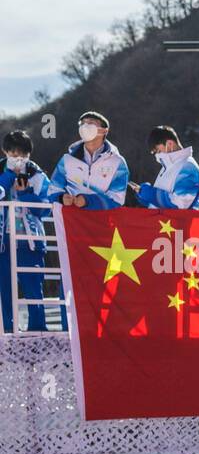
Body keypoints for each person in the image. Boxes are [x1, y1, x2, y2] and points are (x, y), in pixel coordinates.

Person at [0, 130, 55, 331]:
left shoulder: (37, 174)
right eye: (14, 154)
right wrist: (7, 177)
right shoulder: (0, 170)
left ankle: (38, 330)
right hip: (3, 242)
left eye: (23, 155)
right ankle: (7, 330)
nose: (19, 159)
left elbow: (46, 207)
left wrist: (26, 195)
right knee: (5, 289)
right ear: (5, 152)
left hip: (30, 241)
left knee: (33, 290)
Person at [46, 111, 128, 210]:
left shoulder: (117, 162)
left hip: (102, 221)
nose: (85, 126)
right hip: (72, 220)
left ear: (104, 131)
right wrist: (61, 198)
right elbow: (52, 190)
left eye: (91, 123)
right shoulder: (67, 160)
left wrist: (88, 201)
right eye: (82, 123)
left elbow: (117, 198)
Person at [131, 125, 199, 210]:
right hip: (162, 222)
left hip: (178, 222)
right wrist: (146, 198)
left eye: (159, 151)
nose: (158, 156)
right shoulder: (168, 167)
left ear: (170, 144)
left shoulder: (188, 167)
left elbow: (180, 204)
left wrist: (150, 194)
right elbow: (162, 202)